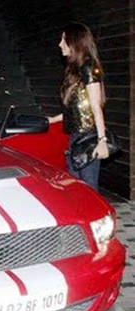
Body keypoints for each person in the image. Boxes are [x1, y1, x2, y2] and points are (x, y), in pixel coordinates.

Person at [47, 22, 108, 191]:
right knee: (76, 187)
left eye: (63, 39)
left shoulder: (88, 67)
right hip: (75, 137)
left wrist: (102, 140)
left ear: (74, 42)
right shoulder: (75, 70)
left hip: (88, 138)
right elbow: (77, 106)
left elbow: (96, 106)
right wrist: (54, 119)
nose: (60, 44)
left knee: (88, 189)